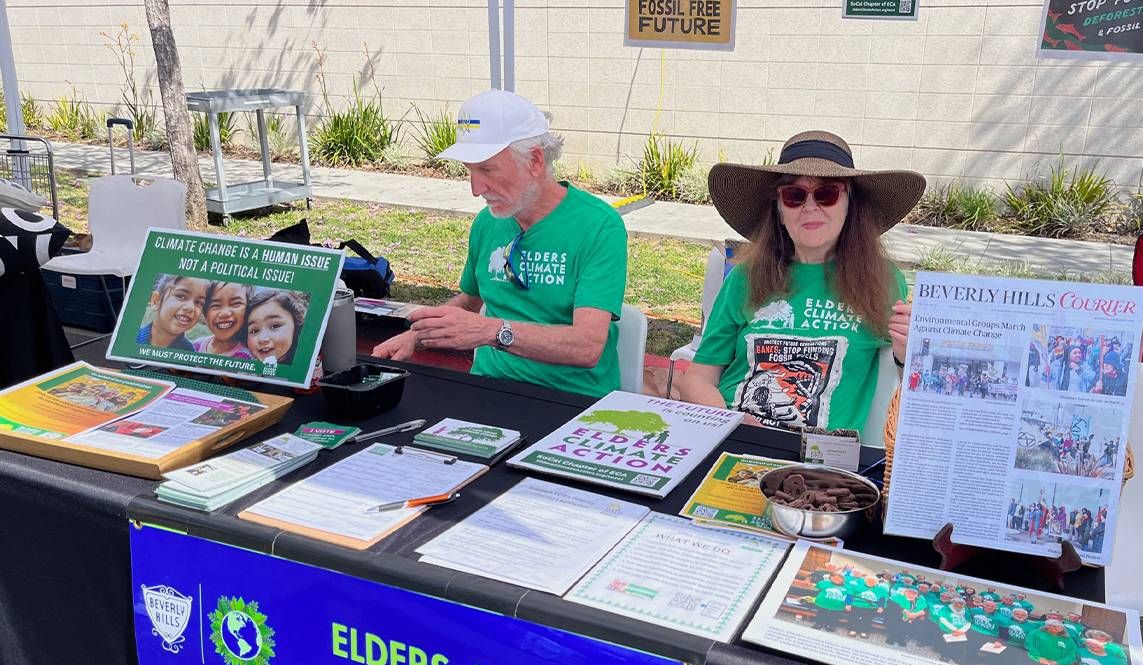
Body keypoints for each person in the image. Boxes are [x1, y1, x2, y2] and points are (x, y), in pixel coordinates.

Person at [372, 90, 626, 397]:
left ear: (534, 161)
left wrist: (492, 331)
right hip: (487, 388)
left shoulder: (598, 226)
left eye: (487, 170)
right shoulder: (488, 222)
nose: (476, 189)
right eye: (469, 170)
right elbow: (469, 302)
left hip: (571, 401)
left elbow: (587, 346)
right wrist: (416, 336)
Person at [678, 130, 925, 431]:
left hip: (818, 463)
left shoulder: (881, 281)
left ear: (850, 204)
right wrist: (733, 424)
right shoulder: (745, 277)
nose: (810, 207)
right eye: (794, 196)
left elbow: (917, 388)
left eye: (827, 193)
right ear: (779, 210)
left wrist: (907, 354)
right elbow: (698, 378)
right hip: (732, 441)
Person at [136, 274, 209, 351]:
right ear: (156, 301)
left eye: (199, 302)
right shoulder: (130, 338)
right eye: (181, 296)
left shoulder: (189, 353)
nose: (191, 307)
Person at [246, 289, 308, 366]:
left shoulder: (307, 363)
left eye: (275, 326)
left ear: (296, 326)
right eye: (254, 331)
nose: (262, 339)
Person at [193, 282, 253, 358]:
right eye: (216, 305)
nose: (225, 313)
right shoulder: (196, 345)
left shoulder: (246, 357)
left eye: (235, 303)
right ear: (205, 314)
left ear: (248, 310)